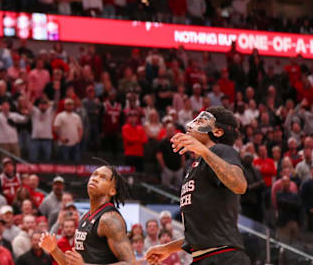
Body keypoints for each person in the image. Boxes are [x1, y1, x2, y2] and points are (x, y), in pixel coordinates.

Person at [145, 106, 249, 265]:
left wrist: (205, 151)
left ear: (218, 132)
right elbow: (201, 232)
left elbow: (240, 185)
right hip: (202, 257)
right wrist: (167, 248)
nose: (189, 125)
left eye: (200, 121)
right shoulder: (195, 166)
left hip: (224, 256)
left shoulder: (221, 150)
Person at [40, 163, 136, 265]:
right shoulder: (84, 217)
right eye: (94, 174)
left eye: (103, 177)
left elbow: (131, 263)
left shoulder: (109, 219)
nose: (95, 178)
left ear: (112, 191)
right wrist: (54, 250)